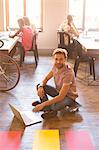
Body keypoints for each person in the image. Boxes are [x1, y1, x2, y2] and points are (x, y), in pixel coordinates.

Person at [32, 48, 81, 119]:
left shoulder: (68, 73)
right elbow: (46, 79)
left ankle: (49, 108)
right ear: (53, 59)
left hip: (68, 97)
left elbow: (61, 96)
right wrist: (41, 86)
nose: (58, 61)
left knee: (54, 106)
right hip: (59, 93)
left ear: (65, 59)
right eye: (56, 59)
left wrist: (42, 104)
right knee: (39, 86)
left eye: (61, 59)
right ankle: (48, 109)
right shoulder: (55, 66)